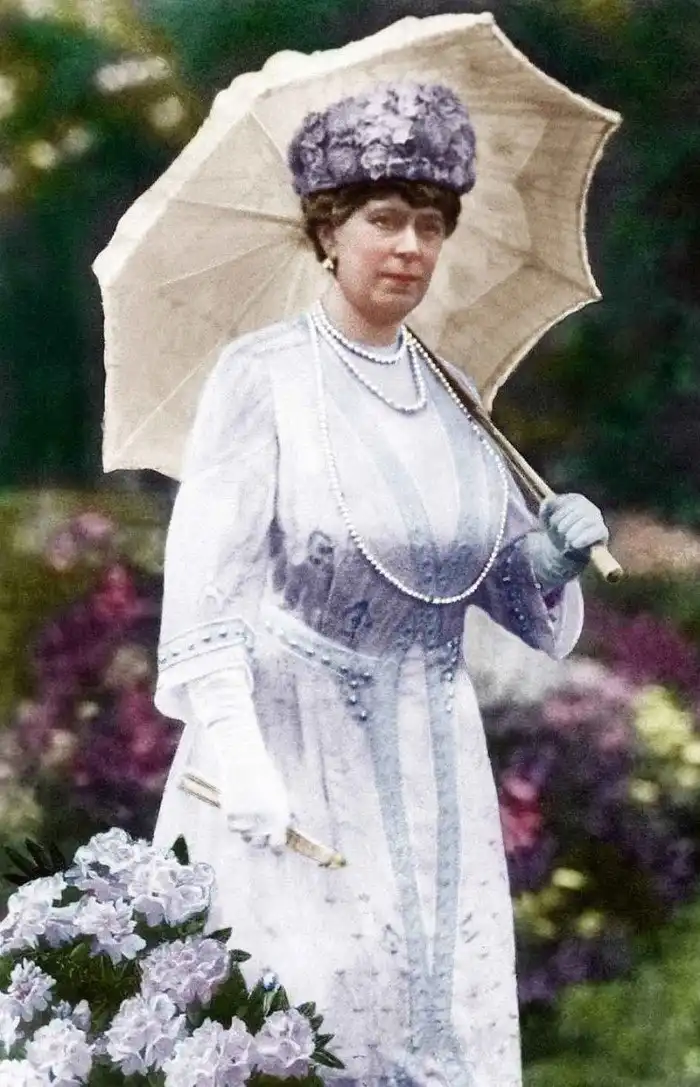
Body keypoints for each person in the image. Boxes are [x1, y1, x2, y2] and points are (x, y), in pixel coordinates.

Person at [151, 82, 609, 1087]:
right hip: (295, 742)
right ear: (328, 231)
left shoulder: (453, 397)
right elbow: (205, 597)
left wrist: (552, 557)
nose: (410, 246)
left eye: (431, 225)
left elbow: (484, 580)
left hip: (436, 747)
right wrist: (240, 757)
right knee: (309, 1018)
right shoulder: (265, 378)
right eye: (385, 219)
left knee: (434, 1013)